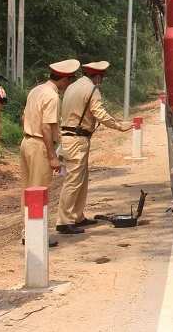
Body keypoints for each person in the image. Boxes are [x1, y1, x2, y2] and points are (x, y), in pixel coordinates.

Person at [56, 61, 132, 235]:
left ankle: (77, 215)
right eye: (102, 77)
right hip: (78, 139)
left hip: (69, 137)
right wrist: (119, 126)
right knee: (74, 181)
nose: (102, 80)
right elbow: (100, 113)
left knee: (80, 178)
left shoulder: (73, 86)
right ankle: (64, 221)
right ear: (97, 76)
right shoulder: (91, 89)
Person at [20, 59, 81, 247]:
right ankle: (36, 236)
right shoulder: (52, 97)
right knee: (39, 191)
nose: (69, 85)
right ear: (63, 79)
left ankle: (27, 231)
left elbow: (24, 117)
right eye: (69, 81)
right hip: (39, 144)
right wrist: (53, 157)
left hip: (27, 142)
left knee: (28, 190)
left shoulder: (36, 90)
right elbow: (46, 128)